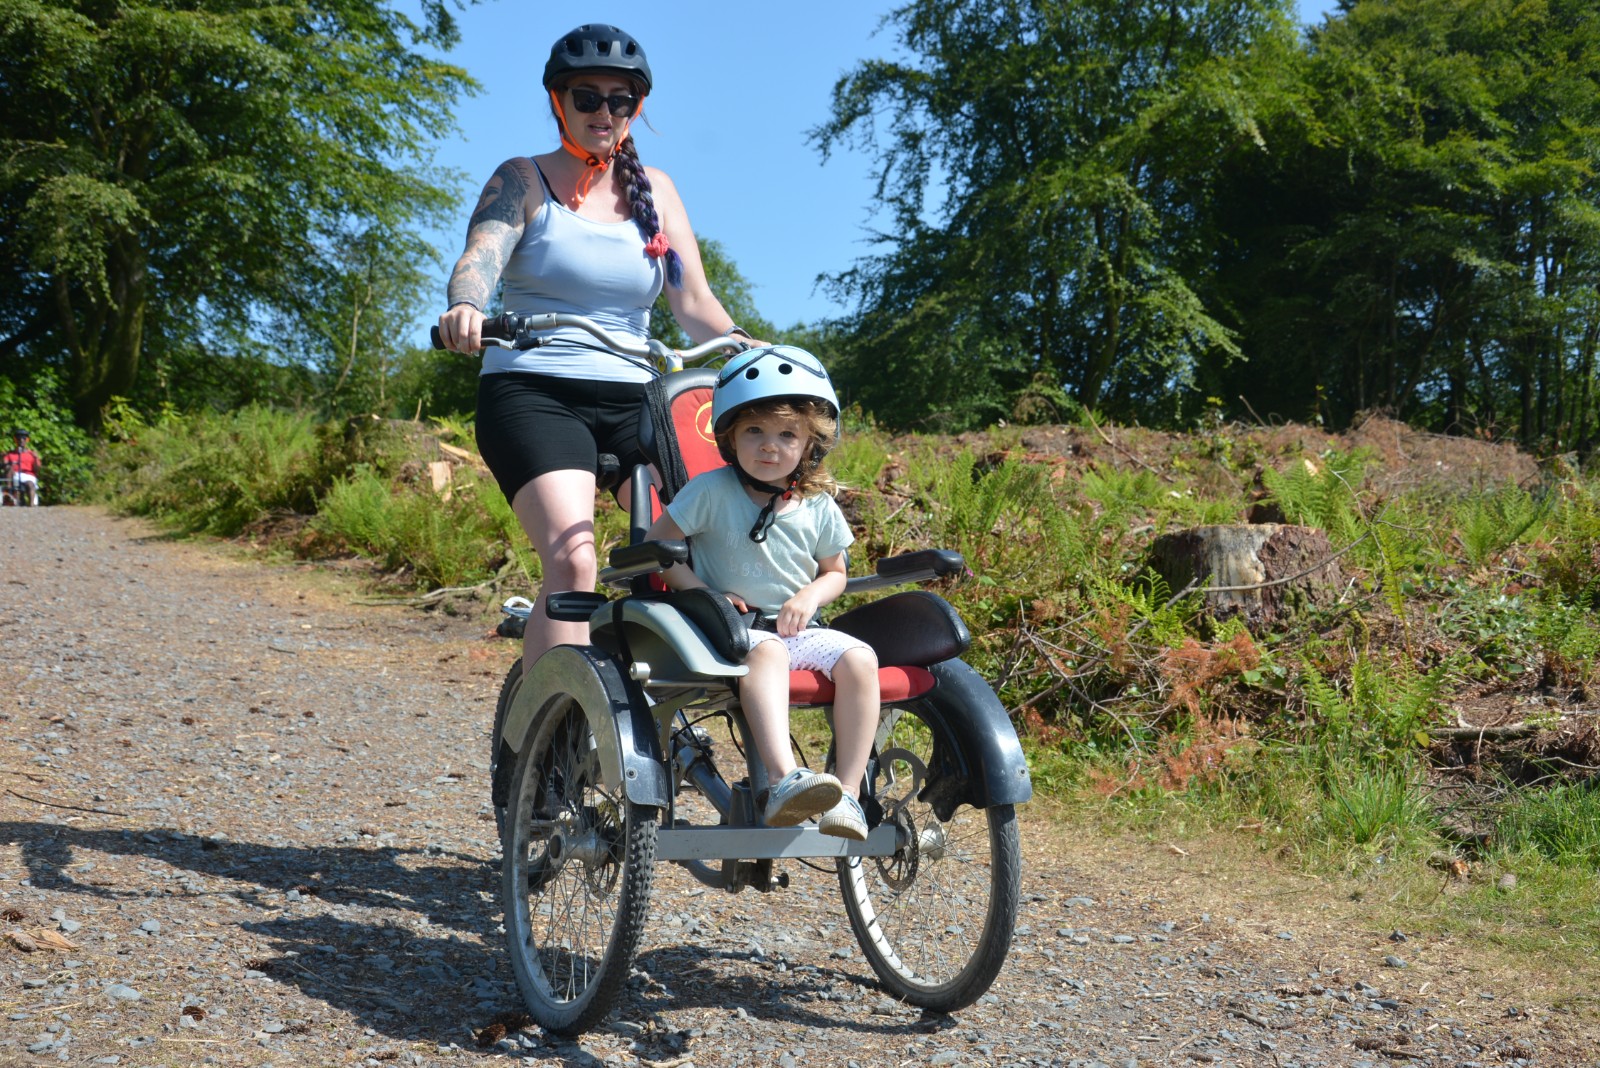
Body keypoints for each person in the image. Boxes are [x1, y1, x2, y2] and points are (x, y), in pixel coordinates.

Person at [435, 23, 762, 673]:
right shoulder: (523, 179)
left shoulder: (657, 192)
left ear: (636, 108)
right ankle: (544, 732)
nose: (603, 113)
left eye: (620, 100)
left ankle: (673, 694)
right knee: (574, 558)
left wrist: (747, 351)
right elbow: (482, 257)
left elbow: (693, 304)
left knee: (701, 550)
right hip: (535, 391)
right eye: (587, 97)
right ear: (559, 101)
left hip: (639, 397)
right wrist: (467, 306)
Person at [645, 346, 877, 841]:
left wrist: (811, 596)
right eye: (754, 431)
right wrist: (705, 592)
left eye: (787, 435)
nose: (769, 446)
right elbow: (657, 549)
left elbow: (835, 572)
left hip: (798, 627)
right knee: (766, 651)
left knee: (861, 657)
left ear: (809, 444)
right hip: (724, 630)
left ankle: (850, 796)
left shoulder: (815, 503)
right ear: (729, 438)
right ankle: (782, 779)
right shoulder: (709, 490)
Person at [2, 429, 40, 506]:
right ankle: (9, 492)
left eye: (24, 439)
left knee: (30, 484)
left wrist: (36, 458)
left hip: (28, 475)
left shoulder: (31, 454)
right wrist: (2, 458)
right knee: (10, 468)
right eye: (19, 439)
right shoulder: (10, 454)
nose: (21, 441)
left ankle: (31, 504)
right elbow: (4, 466)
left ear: (27, 440)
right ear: (16, 440)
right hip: (14, 475)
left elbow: (37, 469)